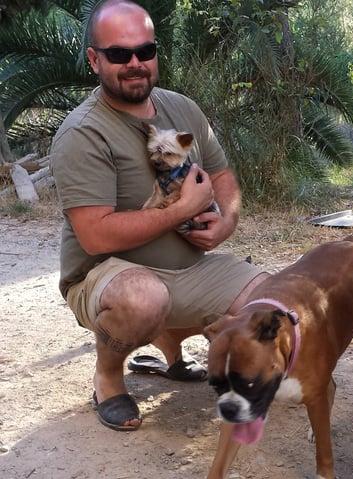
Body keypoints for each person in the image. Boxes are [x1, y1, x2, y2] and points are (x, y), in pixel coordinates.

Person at [51, 0, 267, 432]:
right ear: (94, 59)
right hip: (107, 275)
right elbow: (95, 237)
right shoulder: (83, 132)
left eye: (145, 51)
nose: (135, 63)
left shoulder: (182, 109)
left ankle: (171, 339)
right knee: (143, 299)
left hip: (188, 269)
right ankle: (109, 377)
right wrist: (185, 209)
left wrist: (225, 222)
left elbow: (223, 176)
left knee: (271, 307)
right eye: (118, 54)